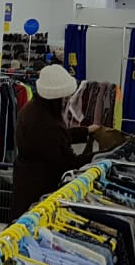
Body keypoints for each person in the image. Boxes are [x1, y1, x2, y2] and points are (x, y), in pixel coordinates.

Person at [12, 64, 98, 216]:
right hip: (39, 188)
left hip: (27, 182)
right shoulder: (44, 121)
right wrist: (101, 157)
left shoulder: (34, 108)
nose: (67, 100)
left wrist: (86, 131)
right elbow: (68, 161)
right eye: (65, 97)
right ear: (57, 97)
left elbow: (57, 137)